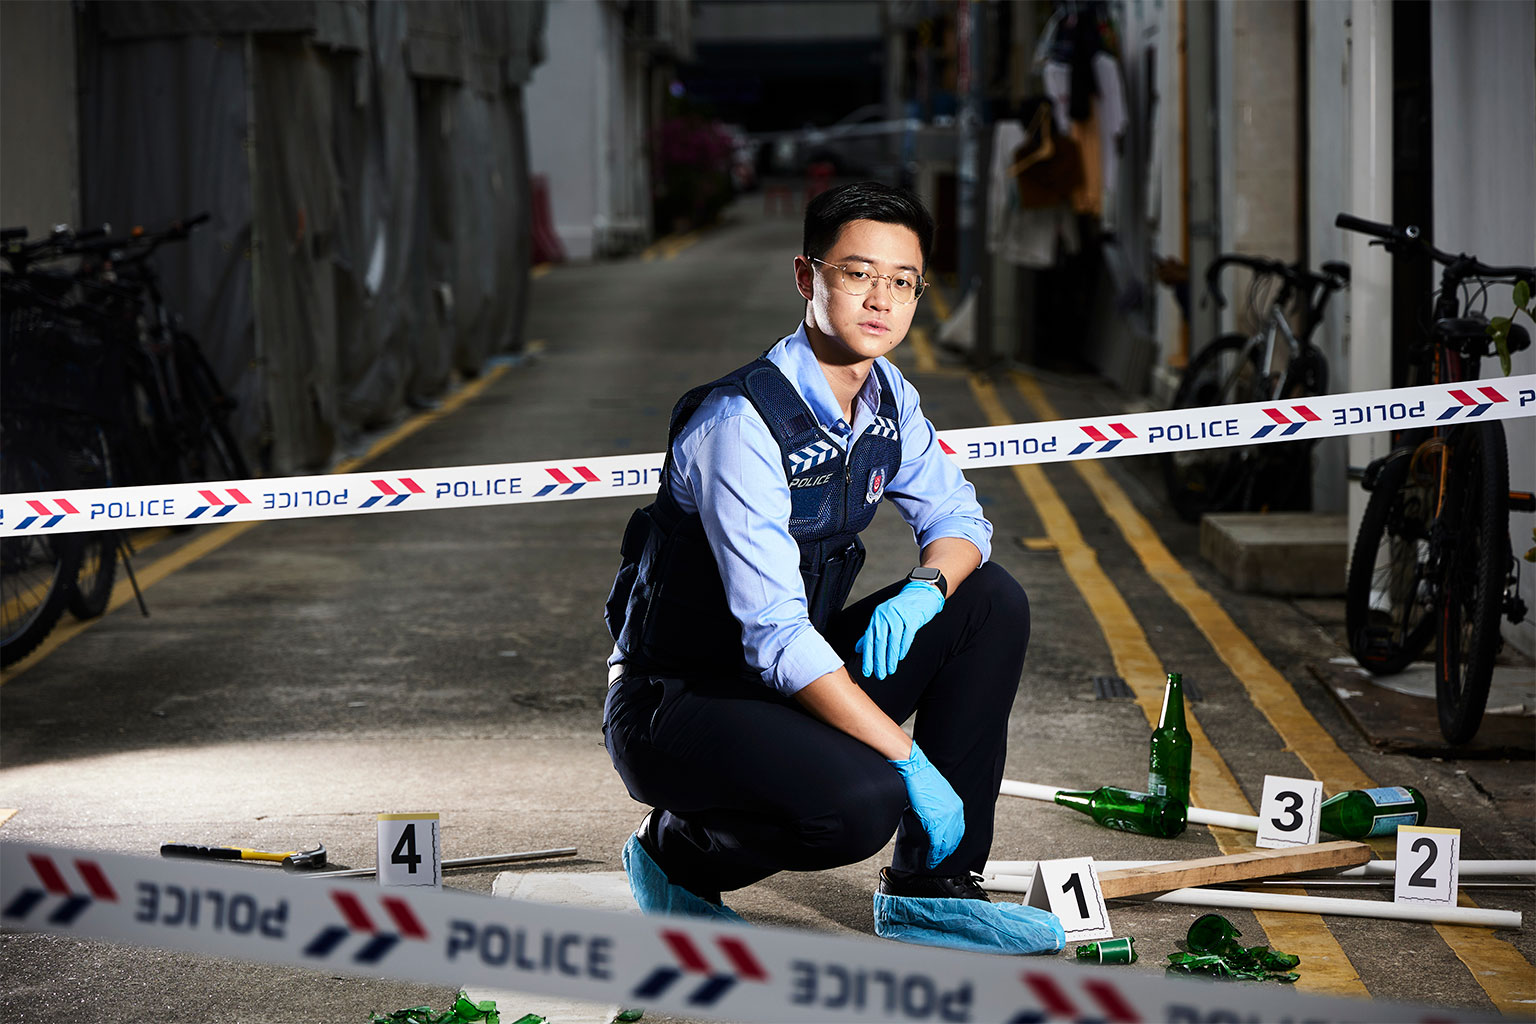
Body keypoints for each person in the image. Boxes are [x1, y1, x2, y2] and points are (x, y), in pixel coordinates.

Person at [602, 182, 1063, 954]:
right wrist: (908, 756)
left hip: (782, 681)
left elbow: (960, 522)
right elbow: (777, 637)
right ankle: (674, 852)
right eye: (857, 273)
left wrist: (925, 589)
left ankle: (932, 889)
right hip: (678, 701)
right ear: (806, 276)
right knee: (859, 803)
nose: (881, 298)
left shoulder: (887, 398)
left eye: (902, 280)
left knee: (986, 600)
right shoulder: (739, 423)